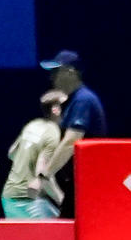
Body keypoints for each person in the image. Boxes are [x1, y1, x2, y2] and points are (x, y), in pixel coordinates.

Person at [36, 50, 108, 204]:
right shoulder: (73, 101)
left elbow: (71, 142)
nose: (51, 77)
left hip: (89, 185)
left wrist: (46, 175)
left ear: (71, 72)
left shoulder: (83, 100)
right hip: (78, 184)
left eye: (56, 71)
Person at [1, 90, 70, 218]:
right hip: (29, 201)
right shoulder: (53, 133)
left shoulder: (32, 125)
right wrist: (62, 200)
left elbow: (11, 153)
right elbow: (42, 172)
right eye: (67, 105)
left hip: (8, 197)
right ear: (56, 109)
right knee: (60, 233)